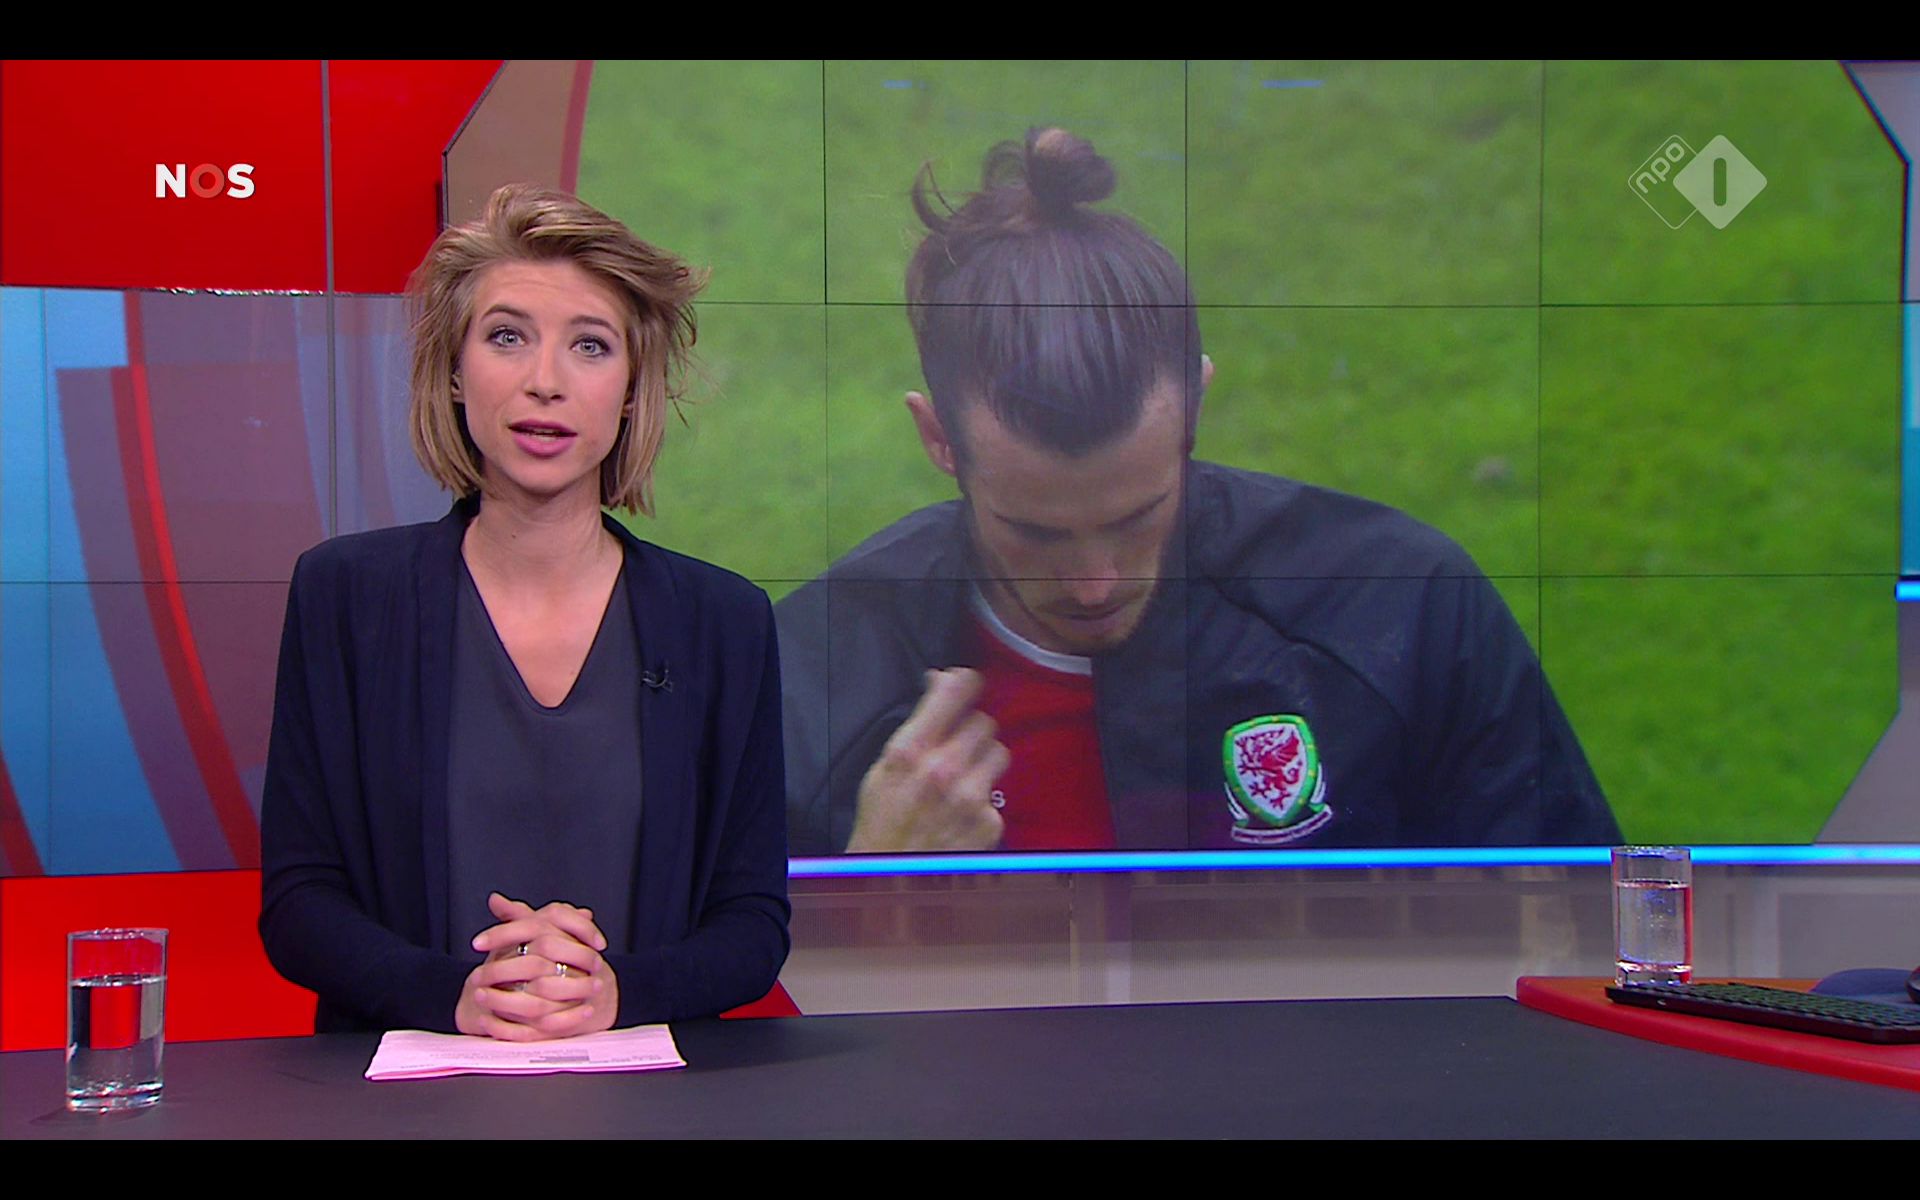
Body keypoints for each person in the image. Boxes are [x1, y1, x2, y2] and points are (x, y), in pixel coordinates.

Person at [777, 128, 1622, 855]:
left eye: (1138, 516)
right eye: (1036, 532)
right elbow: (730, 986)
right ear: (937, 439)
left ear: (1197, 408)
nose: (1095, 583)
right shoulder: (808, 678)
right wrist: (867, 889)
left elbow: (1570, 936)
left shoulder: (1402, 607)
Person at [259, 183, 790, 1038]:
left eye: (590, 346)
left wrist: (615, 993)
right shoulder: (346, 595)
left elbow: (752, 923)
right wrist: (457, 997)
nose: (546, 382)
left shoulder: (722, 621)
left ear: (630, 390)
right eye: (507, 337)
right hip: (404, 1089)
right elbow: (299, 902)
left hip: (649, 1093)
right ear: (455, 372)